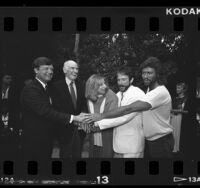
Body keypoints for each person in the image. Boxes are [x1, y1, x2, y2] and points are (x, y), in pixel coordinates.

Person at [85, 57, 174, 158]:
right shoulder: (143, 91)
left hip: (156, 141)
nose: (145, 76)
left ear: (157, 74)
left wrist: (99, 120)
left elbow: (127, 112)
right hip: (142, 141)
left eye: (149, 73)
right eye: (144, 73)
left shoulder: (154, 93)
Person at [20, 57, 85, 160]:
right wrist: (74, 118)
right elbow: (46, 111)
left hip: (46, 139)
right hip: (35, 141)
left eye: (52, 69)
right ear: (36, 70)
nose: (50, 72)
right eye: (46, 69)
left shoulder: (46, 88)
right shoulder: (31, 89)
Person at [90, 67, 145, 158]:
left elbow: (123, 117)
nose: (120, 82)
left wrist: (97, 124)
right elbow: (111, 114)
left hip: (132, 145)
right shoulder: (118, 95)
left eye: (124, 79)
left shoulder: (138, 94)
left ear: (131, 80)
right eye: (118, 80)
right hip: (117, 144)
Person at [51, 60, 88, 158]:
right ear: (64, 70)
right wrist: (73, 119)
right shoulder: (55, 87)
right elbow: (55, 109)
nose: (75, 71)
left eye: (77, 69)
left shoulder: (81, 85)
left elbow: (84, 104)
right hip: (64, 130)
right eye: (72, 68)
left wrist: (83, 117)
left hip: (80, 130)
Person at [85, 74, 118, 158]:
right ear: (93, 87)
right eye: (100, 85)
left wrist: (90, 126)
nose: (105, 86)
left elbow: (111, 119)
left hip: (107, 137)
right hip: (93, 138)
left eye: (104, 83)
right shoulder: (89, 98)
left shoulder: (111, 96)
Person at [0, 73, 21, 159]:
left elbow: (17, 103)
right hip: (2, 112)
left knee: (12, 133)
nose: (10, 80)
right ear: (2, 79)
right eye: (7, 78)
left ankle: (12, 152)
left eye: (10, 78)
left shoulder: (14, 89)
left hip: (12, 114)